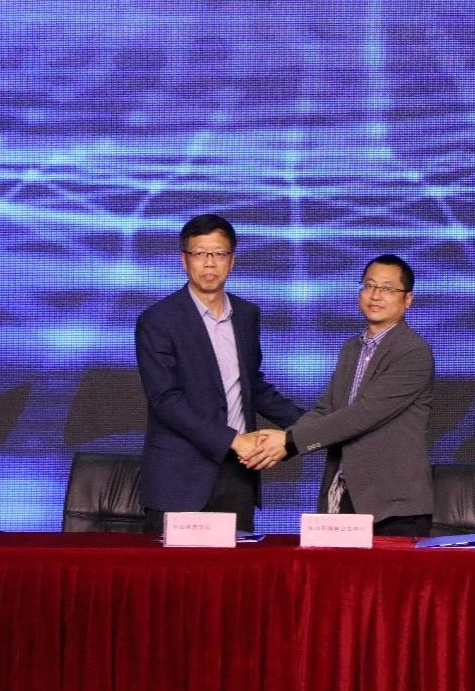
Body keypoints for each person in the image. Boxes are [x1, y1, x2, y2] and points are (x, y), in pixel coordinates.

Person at [135, 213, 305, 532]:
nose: (209, 263)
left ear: (232, 260)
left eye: (219, 253)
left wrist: (311, 426)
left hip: (238, 476)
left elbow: (252, 386)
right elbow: (165, 400)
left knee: (238, 564)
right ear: (184, 260)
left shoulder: (246, 315)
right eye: (200, 253)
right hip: (179, 478)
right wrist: (234, 440)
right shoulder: (158, 320)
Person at [243, 254, 434, 536]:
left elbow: (362, 415)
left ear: (407, 300)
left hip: (394, 505)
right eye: (369, 285)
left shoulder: (413, 351)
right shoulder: (351, 349)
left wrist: (290, 441)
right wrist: (283, 442)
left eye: (387, 289)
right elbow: (327, 410)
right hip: (343, 496)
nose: (375, 295)